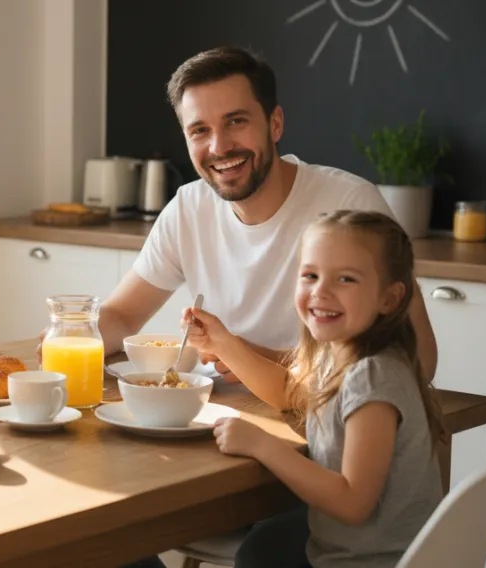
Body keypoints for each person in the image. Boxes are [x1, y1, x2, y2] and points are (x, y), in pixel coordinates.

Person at [94, 46, 437, 383]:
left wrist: (248, 356)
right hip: (221, 408)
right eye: (200, 130)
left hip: (321, 409)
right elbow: (122, 316)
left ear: (275, 124)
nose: (219, 147)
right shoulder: (188, 207)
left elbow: (417, 358)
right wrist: (73, 339)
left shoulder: (349, 204)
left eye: (236, 121)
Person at [187, 210, 446, 567]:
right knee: (262, 548)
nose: (321, 291)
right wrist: (222, 342)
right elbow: (288, 391)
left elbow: (353, 503)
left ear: (389, 298)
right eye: (310, 275)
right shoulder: (338, 352)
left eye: (346, 279)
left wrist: (262, 445)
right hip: (343, 550)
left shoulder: (373, 376)